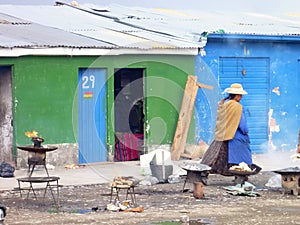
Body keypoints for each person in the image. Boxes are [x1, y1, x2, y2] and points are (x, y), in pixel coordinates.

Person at [201, 83, 255, 176]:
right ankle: (241, 174)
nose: (241, 97)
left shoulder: (224, 104)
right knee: (242, 157)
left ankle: (203, 173)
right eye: (240, 95)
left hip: (222, 134)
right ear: (237, 95)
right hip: (235, 136)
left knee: (214, 157)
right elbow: (242, 124)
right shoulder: (237, 106)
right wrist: (246, 132)